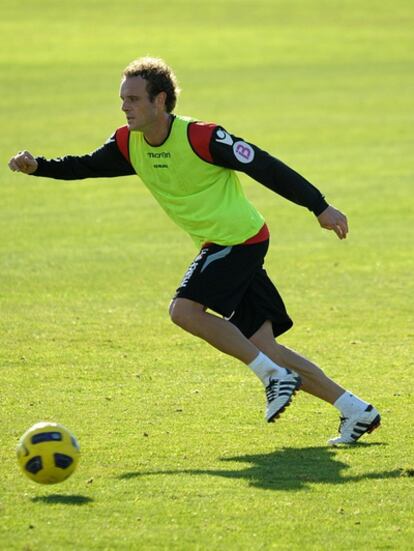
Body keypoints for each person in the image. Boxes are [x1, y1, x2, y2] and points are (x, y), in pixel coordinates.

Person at [9, 57, 380, 445]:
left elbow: (265, 166)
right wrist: (39, 167)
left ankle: (272, 377)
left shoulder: (203, 137)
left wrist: (318, 206)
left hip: (237, 239)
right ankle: (355, 410)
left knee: (184, 311)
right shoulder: (128, 143)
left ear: (160, 100)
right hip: (226, 242)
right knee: (263, 345)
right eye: (123, 99)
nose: (124, 107)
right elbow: (84, 165)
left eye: (133, 99)